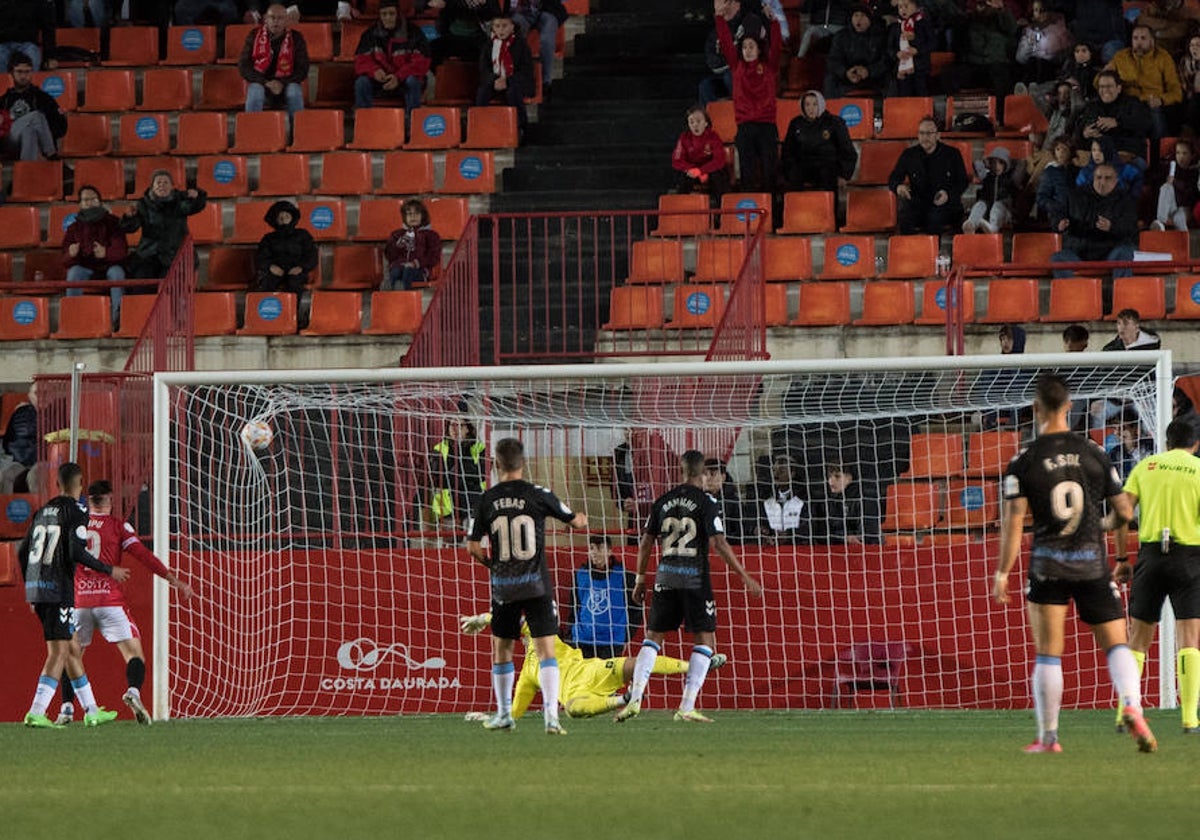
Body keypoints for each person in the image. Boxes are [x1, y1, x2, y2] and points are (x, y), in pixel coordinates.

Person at [992, 374, 1156, 754]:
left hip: (1048, 563)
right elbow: (1123, 511)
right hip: (1092, 562)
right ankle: (1131, 703)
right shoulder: (1094, 452)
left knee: (1049, 651)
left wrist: (1003, 571)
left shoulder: (1024, 460)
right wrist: (1103, 525)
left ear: (1036, 409)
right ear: (1068, 406)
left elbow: (1014, 521)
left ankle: (1049, 737)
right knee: (1117, 644)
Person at [616, 449, 763, 724]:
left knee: (653, 638)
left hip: (666, 576)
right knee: (705, 640)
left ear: (681, 471)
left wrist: (639, 579)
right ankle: (686, 705)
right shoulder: (707, 501)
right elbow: (719, 543)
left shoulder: (663, 500)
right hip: (694, 577)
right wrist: (744, 575)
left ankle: (635, 698)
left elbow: (646, 542)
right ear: (703, 473)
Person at [467, 437, 588, 734]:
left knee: (503, 649)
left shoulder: (486, 499)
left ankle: (505, 714)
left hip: (504, 586)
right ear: (523, 462)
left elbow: (472, 547)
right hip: (537, 585)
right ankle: (551, 717)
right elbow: (575, 522)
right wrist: (581, 519)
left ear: (496, 463)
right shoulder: (538, 494)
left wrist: (494, 566)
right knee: (547, 650)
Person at [56, 480, 195, 726]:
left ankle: (66, 708)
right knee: (134, 655)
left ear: (89, 500)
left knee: (72, 657)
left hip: (79, 602)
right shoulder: (118, 526)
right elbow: (144, 556)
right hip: (110, 601)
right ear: (109, 499)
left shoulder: (74, 525)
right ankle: (133, 692)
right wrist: (174, 580)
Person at [17, 462, 130, 729]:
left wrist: (30, 587)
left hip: (38, 587)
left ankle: (91, 710)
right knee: (59, 651)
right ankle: (37, 710)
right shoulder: (78, 511)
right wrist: (107, 569)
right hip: (58, 588)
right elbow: (75, 551)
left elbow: (23, 551)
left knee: (71, 647)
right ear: (80, 486)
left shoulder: (43, 511)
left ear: (57, 485)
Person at [458, 610, 725, 720]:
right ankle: (625, 699)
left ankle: (694, 666)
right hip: (579, 695)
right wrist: (490, 716)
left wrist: (484, 618)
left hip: (592, 669)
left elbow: (509, 619)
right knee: (573, 710)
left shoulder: (549, 640)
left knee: (637, 663)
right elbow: (514, 712)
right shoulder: (527, 676)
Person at [1120, 420, 1200, 733]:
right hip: (1189, 557)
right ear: (1195, 443)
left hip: (1150, 555)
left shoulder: (1145, 467)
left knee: (1138, 638)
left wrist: (1121, 558)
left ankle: (1125, 713)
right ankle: (1190, 717)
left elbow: (1123, 513)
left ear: (1166, 442)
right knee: (1189, 637)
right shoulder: (1197, 470)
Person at [716, 1, 782, 191]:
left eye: (752, 46)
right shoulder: (737, 67)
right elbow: (727, 42)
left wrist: (774, 22)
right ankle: (749, 214)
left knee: (770, 172)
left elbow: (777, 46)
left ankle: (772, 213)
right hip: (745, 127)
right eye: (745, 47)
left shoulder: (770, 67)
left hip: (767, 127)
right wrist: (719, 18)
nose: (748, 50)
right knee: (747, 173)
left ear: (759, 48)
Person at [1049, 163, 1137, 279]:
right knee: (1058, 258)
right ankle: (1074, 295)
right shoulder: (1075, 196)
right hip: (1079, 251)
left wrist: (1112, 227)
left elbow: (1131, 228)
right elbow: (1057, 214)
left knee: (1125, 254)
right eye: (1098, 177)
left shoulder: (1125, 200)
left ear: (1116, 181)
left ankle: (1121, 295)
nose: (1102, 182)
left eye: (1108, 178)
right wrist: (1059, 223)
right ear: (1093, 178)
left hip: (1111, 250)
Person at [779, 90, 858, 215]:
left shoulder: (834, 122)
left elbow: (847, 150)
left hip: (828, 165)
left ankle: (830, 217)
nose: (811, 108)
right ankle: (795, 216)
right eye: (807, 105)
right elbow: (788, 151)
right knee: (794, 175)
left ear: (820, 104)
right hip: (804, 165)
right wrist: (789, 171)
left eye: (815, 104)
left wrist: (844, 174)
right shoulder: (796, 124)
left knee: (829, 175)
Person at [120, 170, 208, 281]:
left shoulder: (179, 202)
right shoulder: (142, 204)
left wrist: (198, 195)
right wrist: (129, 217)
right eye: (158, 182)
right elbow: (130, 228)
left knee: (170, 286)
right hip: (148, 254)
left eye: (166, 182)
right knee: (141, 282)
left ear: (172, 186)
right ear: (152, 187)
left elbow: (194, 207)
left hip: (173, 255)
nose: (162, 185)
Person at [887, 117, 969, 235]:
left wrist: (948, 195)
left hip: (945, 204)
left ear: (938, 135)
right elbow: (894, 178)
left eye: (929, 133)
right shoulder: (909, 155)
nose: (925, 137)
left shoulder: (952, 154)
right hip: (918, 203)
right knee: (904, 219)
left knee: (934, 219)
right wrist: (898, 187)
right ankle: (909, 252)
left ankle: (934, 252)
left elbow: (962, 181)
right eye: (922, 133)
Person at [62, 185, 128, 331]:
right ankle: (73, 319)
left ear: (100, 201)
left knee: (117, 274)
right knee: (73, 273)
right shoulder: (74, 228)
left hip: (110, 265)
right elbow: (64, 259)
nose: (90, 202)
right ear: (80, 204)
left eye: (93, 199)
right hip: (85, 266)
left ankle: (117, 319)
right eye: (85, 200)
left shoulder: (113, 222)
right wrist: (71, 254)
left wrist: (106, 253)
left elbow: (122, 251)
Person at [1106, 24, 1182, 145]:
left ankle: (1159, 147)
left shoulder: (1163, 57)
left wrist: (1161, 100)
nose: (1139, 42)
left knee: (1154, 112)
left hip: (1151, 101)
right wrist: (1105, 75)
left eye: (1143, 38)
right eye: (1135, 38)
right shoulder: (1121, 57)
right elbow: (1100, 82)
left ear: (1152, 41)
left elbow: (1176, 92)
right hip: (1127, 101)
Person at [352, 0, 430, 117]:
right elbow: (361, 60)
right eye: (384, 14)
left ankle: (411, 125)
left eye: (391, 14)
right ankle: (365, 122)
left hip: (403, 80)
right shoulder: (369, 34)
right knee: (361, 83)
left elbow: (421, 63)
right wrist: (375, 71)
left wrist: (398, 77)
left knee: (413, 82)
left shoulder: (414, 33)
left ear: (398, 14)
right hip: (380, 80)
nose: (388, 18)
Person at [567, 535, 640, 659]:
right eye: (591, 548)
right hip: (583, 640)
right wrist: (572, 632)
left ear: (610, 551)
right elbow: (574, 607)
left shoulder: (625, 578)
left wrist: (626, 637)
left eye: (600, 548)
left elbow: (636, 610)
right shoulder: (580, 575)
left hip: (611, 642)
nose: (594, 552)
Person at [238, 3, 309, 126]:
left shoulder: (296, 38)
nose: (276, 21)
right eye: (272, 17)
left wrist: (282, 83)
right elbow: (244, 66)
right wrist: (265, 82)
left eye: (280, 18)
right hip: (262, 84)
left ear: (287, 20)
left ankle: (298, 138)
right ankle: (251, 137)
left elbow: (303, 69)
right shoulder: (254, 36)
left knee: (294, 92)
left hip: (286, 84)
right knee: (255, 91)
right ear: (266, 19)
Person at [956, 0, 1017, 123]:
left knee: (1002, 77)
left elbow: (1012, 29)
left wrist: (1001, 9)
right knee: (950, 74)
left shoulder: (1001, 19)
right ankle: (956, 119)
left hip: (996, 65)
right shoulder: (969, 21)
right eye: (980, 5)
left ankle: (1001, 119)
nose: (983, 8)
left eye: (986, 5)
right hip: (974, 66)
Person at [1073, 70, 1154, 164]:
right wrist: (1085, 133)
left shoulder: (1132, 103)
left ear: (1119, 88)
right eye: (1101, 87)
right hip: (1096, 155)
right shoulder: (1092, 106)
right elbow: (1078, 131)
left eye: (1109, 86)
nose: (1105, 90)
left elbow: (1145, 124)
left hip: (1127, 153)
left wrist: (1117, 122)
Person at [475, 13, 533, 137]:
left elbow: (526, 69)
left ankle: (520, 127)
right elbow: (484, 68)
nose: (501, 29)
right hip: (495, 82)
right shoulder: (488, 45)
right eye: (497, 26)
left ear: (512, 27)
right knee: (482, 91)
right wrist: (495, 80)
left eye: (504, 26)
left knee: (513, 91)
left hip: (516, 81)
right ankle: (479, 126)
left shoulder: (521, 44)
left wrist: (508, 80)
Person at [0, 52, 66, 161]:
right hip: (9, 141)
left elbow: (61, 126)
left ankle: (27, 173)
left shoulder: (43, 98)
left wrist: (42, 134)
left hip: (34, 143)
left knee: (29, 132)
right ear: (11, 73)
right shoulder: (4, 100)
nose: (23, 76)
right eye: (19, 72)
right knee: (36, 116)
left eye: (27, 72)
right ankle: (51, 154)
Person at [428, 416, 486, 533]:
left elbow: (481, 473)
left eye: (459, 426)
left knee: (472, 541)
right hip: (447, 505)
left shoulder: (479, 447)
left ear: (467, 429)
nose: (455, 429)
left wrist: (455, 472)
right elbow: (439, 477)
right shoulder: (440, 448)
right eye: (452, 425)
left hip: (473, 502)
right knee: (449, 544)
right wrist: (465, 474)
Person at [807, 462, 882, 545]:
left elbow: (868, 531)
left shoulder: (865, 498)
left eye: (837, 476)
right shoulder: (827, 501)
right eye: (829, 476)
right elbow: (822, 531)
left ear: (850, 478)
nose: (831, 481)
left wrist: (849, 537)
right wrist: (843, 537)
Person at [824, 3, 889, 98]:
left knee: (888, 77)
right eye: (856, 15)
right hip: (848, 78)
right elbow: (833, 60)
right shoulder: (841, 36)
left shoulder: (881, 36)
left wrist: (869, 71)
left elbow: (886, 60)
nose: (859, 19)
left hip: (872, 78)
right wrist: (845, 72)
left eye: (863, 16)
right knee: (830, 79)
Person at [254, 199, 318, 293]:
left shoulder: (303, 235)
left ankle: (294, 308)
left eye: (286, 216)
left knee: (294, 283)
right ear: (275, 220)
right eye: (280, 218)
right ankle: (270, 308)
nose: (284, 220)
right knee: (266, 284)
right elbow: (261, 257)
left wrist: (301, 267)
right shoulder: (268, 238)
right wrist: (270, 267)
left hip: (297, 270)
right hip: (275, 270)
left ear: (292, 217)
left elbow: (311, 255)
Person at [509, 0, 568, 100]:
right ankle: (516, 79)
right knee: (515, 33)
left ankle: (546, 82)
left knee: (546, 39)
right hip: (521, 12)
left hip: (547, 10)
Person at [670, 105, 730, 202]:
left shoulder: (713, 136)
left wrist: (702, 170)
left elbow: (719, 160)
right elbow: (677, 160)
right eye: (691, 122)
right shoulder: (684, 137)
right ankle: (681, 208)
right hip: (693, 171)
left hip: (710, 171)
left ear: (706, 123)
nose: (695, 125)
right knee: (683, 177)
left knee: (719, 176)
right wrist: (693, 170)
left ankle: (721, 211)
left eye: (698, 121)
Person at [383, 198, 441, 290]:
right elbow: (390, 255)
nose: (413, 217)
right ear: (404, 217)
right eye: (409, 214)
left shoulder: (431, 235)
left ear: (423, 216)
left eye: (416, 214)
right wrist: (399, 244)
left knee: (408, 271)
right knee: (395, 271)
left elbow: (433, 257)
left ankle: (406, 297)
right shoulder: (397, 234)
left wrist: (415, 263)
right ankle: (388, 295)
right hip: (399, 267)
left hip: (420, 270)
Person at [962, 146, 1020, 235]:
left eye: (1000, 163)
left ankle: (993, 228)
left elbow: (1021, 167)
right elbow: (977, 165)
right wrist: (985, 162)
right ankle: (971, 224)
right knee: (980, 205)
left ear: (1006, 164)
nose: (997, 166)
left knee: (997, 206)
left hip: (1004, 211)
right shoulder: (987, 176)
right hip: (988, 206)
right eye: (994, 163)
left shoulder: (1009, 178)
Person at [755, 452, 809, 544]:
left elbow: (811, 527)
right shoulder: (766, 499)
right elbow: (760, 523)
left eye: (782, 471)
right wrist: (761, 530)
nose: (776, 475)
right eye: (774, 470)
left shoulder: (806, 498)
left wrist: (789, 535)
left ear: (792, 473)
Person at [1148, 137, 1199, 231]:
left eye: (1184, 153)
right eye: (1178, 153)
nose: (1181, 157)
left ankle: (1184, 242)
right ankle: (1160, 222)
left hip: (1186, 208)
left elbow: (1191, 192)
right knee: (1166, 187)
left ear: (1191, 155)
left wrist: (1174, 181)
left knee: (1178, 218)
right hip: (1170, 205)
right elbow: (1155, 183)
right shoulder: (1170, 168)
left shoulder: (1194, 172)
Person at [888, 0, 933, 97]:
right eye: (900, 7)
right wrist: (896, 54)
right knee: (904, 95)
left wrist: (917, 49)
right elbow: (890, 47)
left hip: (920, 68)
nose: (903, 10)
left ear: (916, 6)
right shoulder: (896, 27)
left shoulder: (923, 23)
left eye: (906, 6)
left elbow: (932, 43)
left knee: (921, 94)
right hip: (902, 69)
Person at [702, 457, 749, 545]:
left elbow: (741, 532)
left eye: (712, 474)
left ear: (723, 477)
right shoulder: (697, 499)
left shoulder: (733, 502)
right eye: (705, 474)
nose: (708, 478)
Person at [0, 0, 55, 72]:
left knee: (32, 55)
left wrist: (49, 56)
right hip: (2, 44)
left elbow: (48, 29)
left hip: (28, 44)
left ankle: (32, 83)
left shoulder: (38, 3)